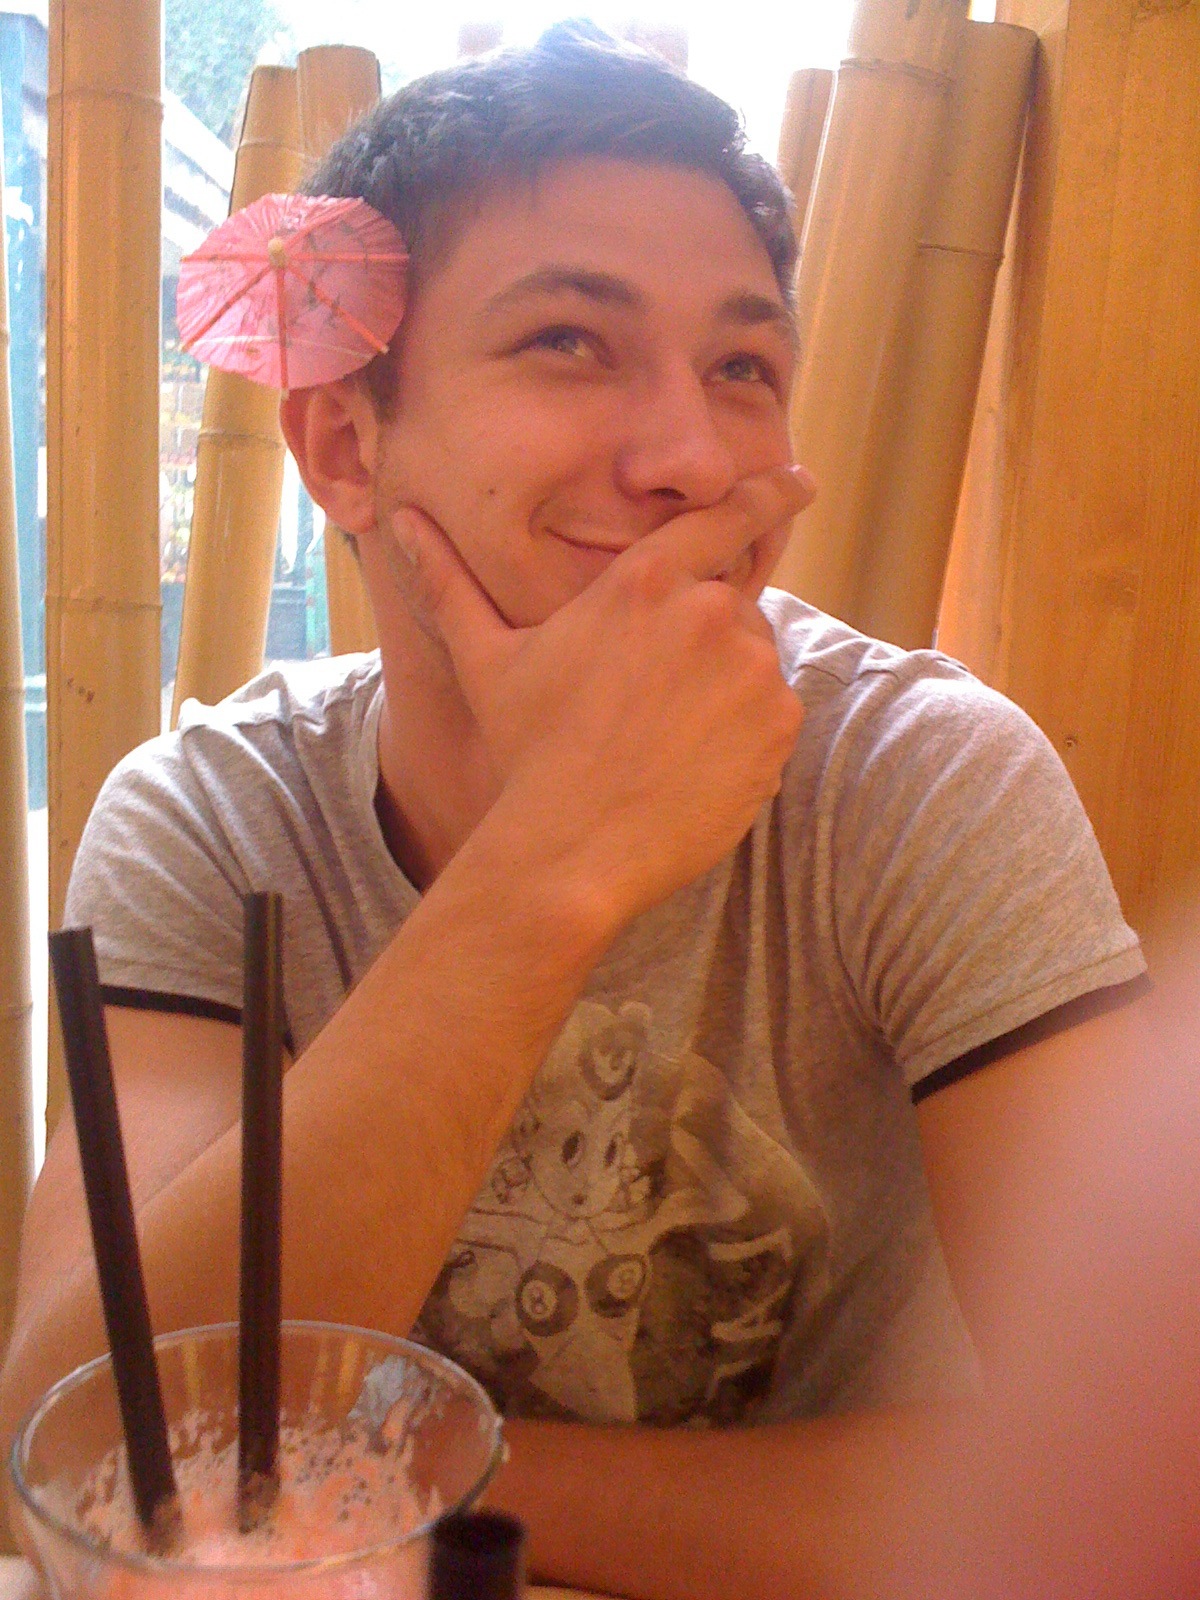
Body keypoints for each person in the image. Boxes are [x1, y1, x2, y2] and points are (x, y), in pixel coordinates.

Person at [0, 23, 1153, 1597]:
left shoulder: (917, 782)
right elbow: (78, 1457)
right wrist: (554, 863)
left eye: (743, 369)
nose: (691, 456)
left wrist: (405, 1478)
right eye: (567, 341)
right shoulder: (213, 820)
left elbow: (1143, 1472)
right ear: (344, 441)